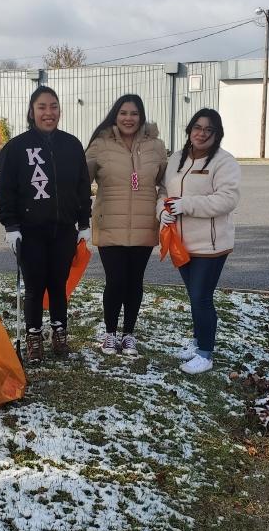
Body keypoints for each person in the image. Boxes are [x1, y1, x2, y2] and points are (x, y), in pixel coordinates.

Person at [0, 85, 92, 361]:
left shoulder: (72, 145)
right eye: (42, 107)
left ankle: (60, 332)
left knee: (59, 284)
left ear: (60, 110)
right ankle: (34, 335)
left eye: (53, 106)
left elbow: (82, 186)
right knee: (35, 285)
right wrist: (11, 225)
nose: (49, 113)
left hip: (63, 229)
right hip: (30, 231)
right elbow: (5, 190)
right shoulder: (16, 148)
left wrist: (83, 222)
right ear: (32, 111)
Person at [157, 108, 240, 375]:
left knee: (201, 298)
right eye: (197, 127)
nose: (201, 133)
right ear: (189, 130)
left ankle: (205, 354)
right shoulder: (177, 159)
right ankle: (197, 343)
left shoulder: (224, 162)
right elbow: (162, 190)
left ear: (217, 135)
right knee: (194, 297)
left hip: (211, 245)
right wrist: (162, 211)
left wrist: (187, 205)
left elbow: (228, 198)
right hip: (181, 242)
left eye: (208, 129)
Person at [86, 94, 167, 356]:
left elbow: (168, 182)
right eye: (123, 113)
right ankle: (110, 334)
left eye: (134, 113)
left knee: (135, 282)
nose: (128, 118)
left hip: (144, 224)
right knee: (115, 281)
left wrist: (165, 204)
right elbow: (79, 179)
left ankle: (129, 334)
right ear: (115, 115)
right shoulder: (100, 144)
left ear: (141, 116)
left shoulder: (156, 146)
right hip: (109, 222)